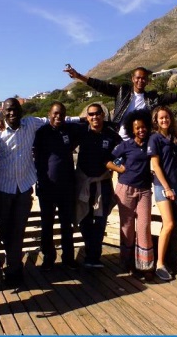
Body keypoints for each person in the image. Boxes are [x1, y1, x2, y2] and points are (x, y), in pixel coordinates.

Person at [0, 98, 50, 288]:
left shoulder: (30, 123)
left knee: (18, 230)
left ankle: (14, 269)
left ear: (21, 111)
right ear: (2, 112)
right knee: (6, 231)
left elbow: (54, 119)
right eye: (8, 111)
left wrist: (84, 119)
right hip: (4, 189)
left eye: (15, 110)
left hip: (23, 188)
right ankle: (13, 264)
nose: (12, 113)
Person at [64, 65, 177, 140]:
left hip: (141, 138)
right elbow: (101, 85)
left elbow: (171, 97)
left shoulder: (151, 98)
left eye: (143, 78)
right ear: (133, 79)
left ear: (147, 81)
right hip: (119, 137)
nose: (140, 80)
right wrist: (79, 76)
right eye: (138, 77)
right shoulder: (122, 91)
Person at [74, 103, 122, 268]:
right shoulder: (81, 132)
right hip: (84, 182)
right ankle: (90, 254)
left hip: (103, 182)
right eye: (91, 114)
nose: (94, 117)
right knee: (84, 219)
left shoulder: (111, 135)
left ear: (103, 115)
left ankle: (95, 257)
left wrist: (119, 167)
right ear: (87, 117)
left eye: (97, 114)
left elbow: (123, 152)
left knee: (101, 220)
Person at [33, 103, 80, 272]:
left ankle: (68, 258)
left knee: (67, 224)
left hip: (67, 186)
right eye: (55, 114)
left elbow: (87, 124)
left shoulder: (71, 129)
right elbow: (35, 156)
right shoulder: (41, 132)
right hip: (46, 187)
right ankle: (49, 257)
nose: (58, 117)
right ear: (49, 114)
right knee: (47, 224)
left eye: (61, 114)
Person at [108, 109, 155, 278]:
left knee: (143, 227)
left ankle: (145, 265)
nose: (141, 130)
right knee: (127, 228)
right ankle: (127, 263)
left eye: (143, 127)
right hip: (125, 189)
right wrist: (119, 168)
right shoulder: (125, 145)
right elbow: (107, 160)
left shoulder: (151, 143)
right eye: (137, 128)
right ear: (132, 129)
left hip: (144, 191)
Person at [148, 106, 177, 281]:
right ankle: (159, 263)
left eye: (167, 117)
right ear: (156, 120)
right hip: (163, 186)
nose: (164, 120)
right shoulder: (155, 139)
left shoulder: (175, 138)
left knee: (173, 224)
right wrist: (167, 188)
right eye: (161, 118)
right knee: (168, 224)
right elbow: (156, 166)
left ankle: (170, 260)